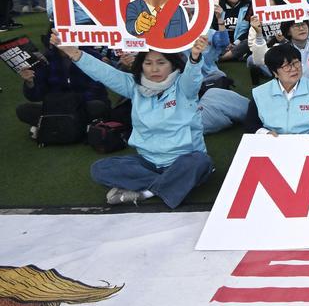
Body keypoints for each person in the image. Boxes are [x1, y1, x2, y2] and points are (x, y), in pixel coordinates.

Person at [55, 32, 214, 207]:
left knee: (201, 162)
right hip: (148, 162)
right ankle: (172, 183)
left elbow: (192, 78)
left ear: (173, 65)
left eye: (161, 63)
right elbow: (104, 73)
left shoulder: (183, 87)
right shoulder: (134, 86)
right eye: (148, 63)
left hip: (184, 159)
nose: (154, 69)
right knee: (99, 169)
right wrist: (73, 53)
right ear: (141, 65)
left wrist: (194, 57)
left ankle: (146, 192)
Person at [244, 43, 309, 135]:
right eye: (286, 66)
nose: (294, 69)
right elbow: (251, 123)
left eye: (296, 63)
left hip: (308, 139)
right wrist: (265, 133)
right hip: (273, 140)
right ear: (274, 73)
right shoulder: (260, 93)